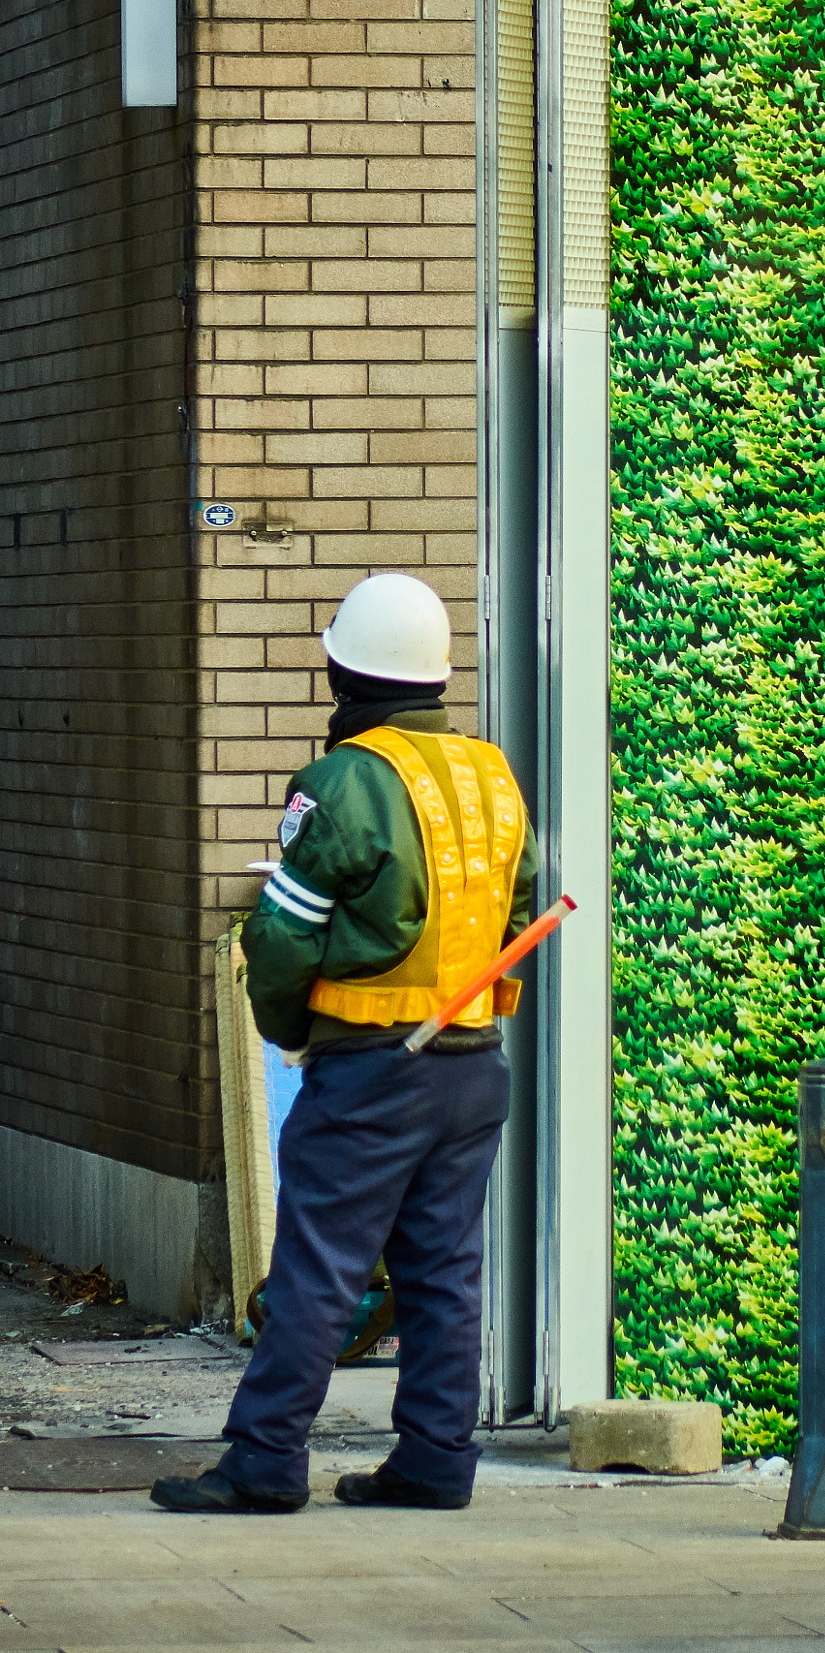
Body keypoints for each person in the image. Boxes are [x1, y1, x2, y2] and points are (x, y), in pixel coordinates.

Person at [152, 572, 537, 1515]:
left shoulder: (340, 783)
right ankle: (436, 1463)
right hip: (473, 1068)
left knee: (318, 1268)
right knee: (443, 1272)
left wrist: (290, 1030)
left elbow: (277, 939)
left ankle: (264, 1462)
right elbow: (518, 910)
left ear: (342, 673)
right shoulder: (492, 774)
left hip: (371, 1070)